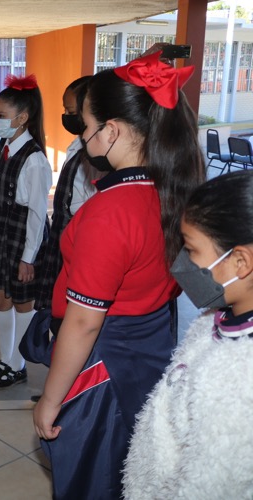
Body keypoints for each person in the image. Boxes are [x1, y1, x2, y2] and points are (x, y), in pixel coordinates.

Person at [32, 51, 205, 498]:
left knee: (94, 480)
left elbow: (85, 320)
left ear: (110, 132)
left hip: (100, 368)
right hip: (149, 351)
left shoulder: (110, 212)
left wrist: (50, 400)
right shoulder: (174, 194)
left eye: (85, 125)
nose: (83, 135)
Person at [122, 170, 253, 499]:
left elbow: (211, 485)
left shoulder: (240, 381)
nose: (182, 262)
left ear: (240, 261)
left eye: (192, 249)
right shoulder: (216, 319)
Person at [0, 74, 52, 388]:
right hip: (1, 231)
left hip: (23, 237)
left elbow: (37, 215)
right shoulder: (5, 145)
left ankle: (17, 364)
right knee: (0, 298)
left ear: (22, 118)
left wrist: (28, 258)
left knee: (23, 302)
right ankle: (6, 359)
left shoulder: (34, 160)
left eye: (1, 116)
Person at [34, 75, 103, 312]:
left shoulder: (97, 158)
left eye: (71, 111)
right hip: (64, 241)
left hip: (80, 249)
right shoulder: (77, 145)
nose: (66, 116)